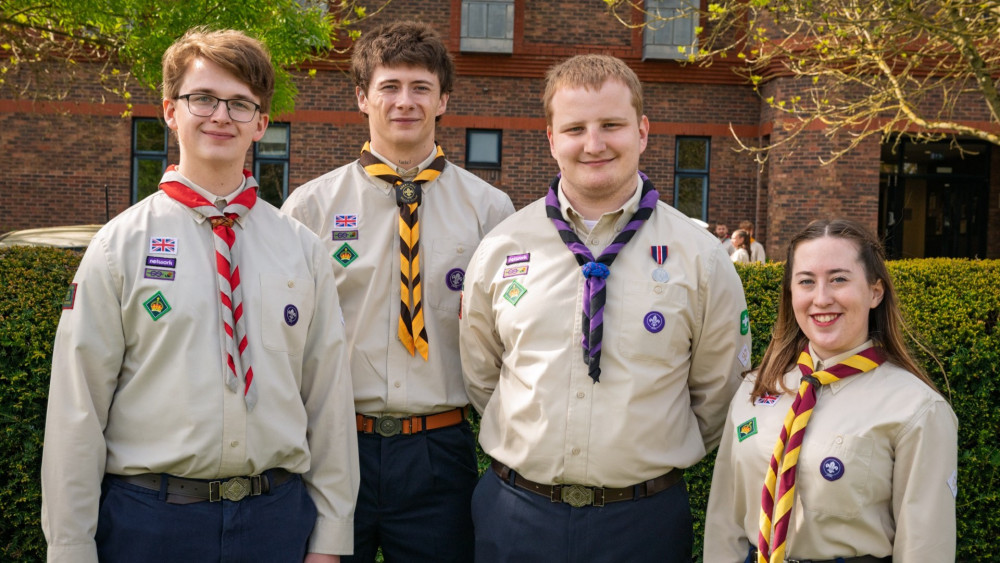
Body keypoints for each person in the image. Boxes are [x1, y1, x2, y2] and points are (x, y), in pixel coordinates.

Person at [40, 28, 359, 563]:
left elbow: (327, 400)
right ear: (170, 110)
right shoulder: (120, 247)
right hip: (150, 523)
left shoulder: (302, 250)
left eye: (240, 104)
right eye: (203, 98)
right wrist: (70, 549)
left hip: (275, 521)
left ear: (261, 123)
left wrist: (331, 537)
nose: (220, 116)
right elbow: (78, 409)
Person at [459, 54, 751, 563]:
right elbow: (482, 376)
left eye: (611, 125)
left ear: (641, 131)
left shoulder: (700, 257)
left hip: (644, 523)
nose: (593, 144)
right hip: (516, 515)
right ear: (551, 139)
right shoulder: (501, 248)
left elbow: (717, 391)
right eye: (575, 128)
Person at [281, 21, 514, 563]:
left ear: (443, 100)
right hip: (338, 444)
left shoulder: (490, 211)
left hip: (441, 448)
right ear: (363, 97)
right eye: (388, 87)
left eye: (420, 88)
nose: (403, 102)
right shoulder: (309, 210)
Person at [704, 219, 957, 563]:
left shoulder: (917, 409)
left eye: (839, 279)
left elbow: (926, 550)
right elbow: (725, 521)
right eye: (806, 281)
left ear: (875, 292)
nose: (821, 299)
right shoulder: (756, 388)